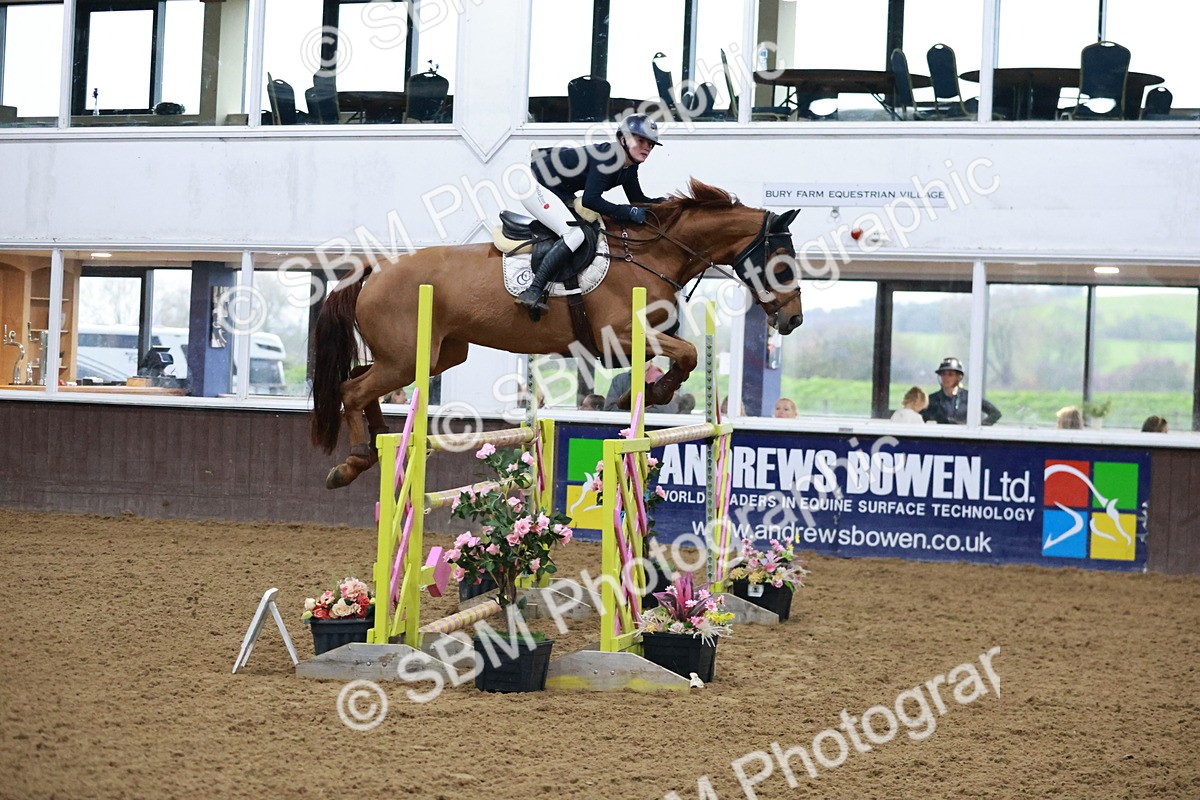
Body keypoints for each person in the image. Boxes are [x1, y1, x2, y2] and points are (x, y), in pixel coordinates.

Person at [515, 114, 666, 319]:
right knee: (574, 235)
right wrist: (628, 212)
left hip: (558, 189)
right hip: (535, 183)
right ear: (623, 139)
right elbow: (591, 201)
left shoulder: (629, 166)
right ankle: (533, 290)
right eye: (640, 141)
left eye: (650, 144)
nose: (646, 148)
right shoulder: (609, 157)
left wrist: (664, 206)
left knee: (589, 229)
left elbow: (637, 199)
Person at [921, 357, 1001, 425]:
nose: (946, 377)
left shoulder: (968, 397)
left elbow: (995, 413)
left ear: (958, 377)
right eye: (943, 374)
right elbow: (918, 416)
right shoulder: (932, 399)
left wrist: (979, 428)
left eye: (950, 374)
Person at [604, 363, 679, 413]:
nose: (642, 359)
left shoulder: (663, 382)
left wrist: (629, 410)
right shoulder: (620, 380)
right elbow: (610, 409)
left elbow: (666, 411)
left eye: (647, 356)